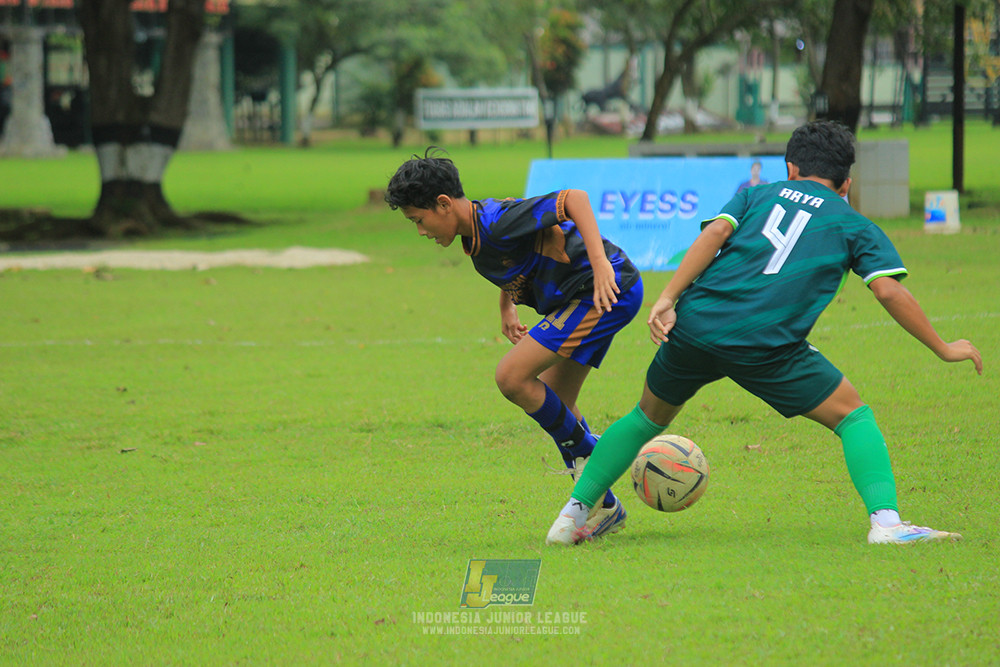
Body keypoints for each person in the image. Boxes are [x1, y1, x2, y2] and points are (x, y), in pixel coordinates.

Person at [546, 120, 983, 546]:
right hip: (768, 345)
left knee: (645, 418)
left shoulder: (755, 194)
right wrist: (943, 347)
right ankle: (887, 524)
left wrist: (668, 298)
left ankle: (570, 518)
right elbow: (888, 291)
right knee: (854, 416)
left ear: (790, 168)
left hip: (696, 327)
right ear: (846, 184)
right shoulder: (855, 225)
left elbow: (716, 233)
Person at [385, 148, 644, 537]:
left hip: (604, 289)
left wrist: (600, 260)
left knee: (511, 375)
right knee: (558, 402)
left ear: (443, 204)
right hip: (584, 296)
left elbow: (575, 199)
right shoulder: (475, 235)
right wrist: (507, 304)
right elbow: (515, 258)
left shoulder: (497, 222)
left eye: (419, 220)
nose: (421, 231)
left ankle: (593, 457)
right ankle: (602, 503)